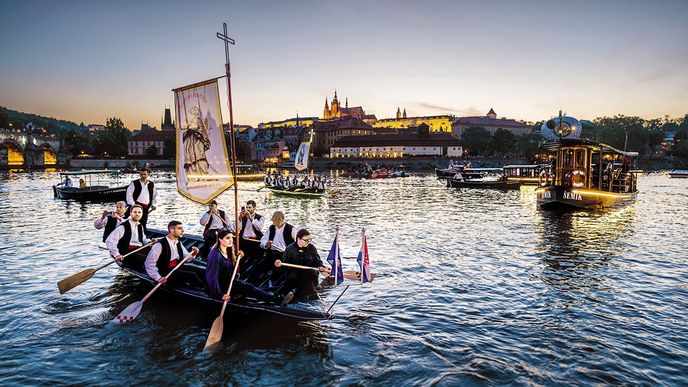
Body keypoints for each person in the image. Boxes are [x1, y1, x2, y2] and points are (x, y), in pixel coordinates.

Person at [206, 229, 293, 305]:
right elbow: (212, 277)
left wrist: (238, 257)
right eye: (227, 238)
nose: (231, 240)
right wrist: (220, 295)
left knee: (250, 287)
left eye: (231, 237)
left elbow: (228, 265)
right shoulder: (215, 255)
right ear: (220, 239)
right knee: (249, 288)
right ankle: (276, 300)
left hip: (230, 281)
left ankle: (276, 297)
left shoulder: (228, 249)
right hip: (223, 286)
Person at [274, 229, 329, 299]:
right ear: (298, 239)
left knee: (312, 272)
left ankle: (309, 292)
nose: (308, 242)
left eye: (309, 240)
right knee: (291, 277)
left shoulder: (312, 248)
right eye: (305, 240)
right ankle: (286, 294)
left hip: (308, 273)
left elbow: (318, 261)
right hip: (294, 274)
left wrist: (321, 267)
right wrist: (279, 264)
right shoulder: (289, 249)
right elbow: (283, 265)